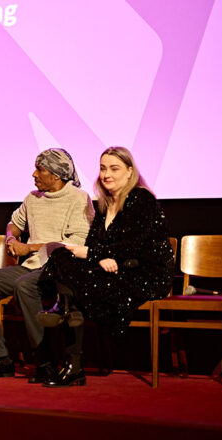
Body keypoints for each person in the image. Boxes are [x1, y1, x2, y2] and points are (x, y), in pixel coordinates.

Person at [36, 146, 174, 387]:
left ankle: (73, 361)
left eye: (114, 168)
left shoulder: (142, 200)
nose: (106, 174)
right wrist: (99, 257)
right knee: (60, 255)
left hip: (143, 274)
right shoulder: (103, 204)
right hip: (115, 267)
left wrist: (95, 254)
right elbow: (95, 244)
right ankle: (66, 312)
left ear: (130, 172)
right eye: (102, 168)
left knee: (75, 286)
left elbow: (132, 246)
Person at [0, 148, 94, 381]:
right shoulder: (32, 198)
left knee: (24, 285)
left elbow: (76, 244)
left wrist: (29, 248)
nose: (34, 174)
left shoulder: (79, 199)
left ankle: (43, 361)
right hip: (32, 266)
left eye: (40, 169)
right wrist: (11, 239)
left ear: (56, 175)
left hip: (59, 269)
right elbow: (13, 224)